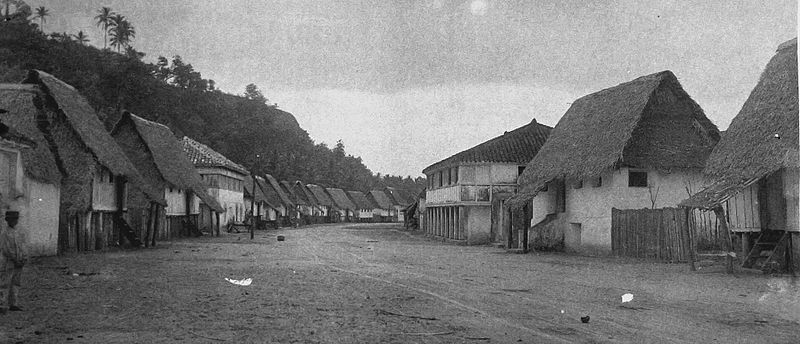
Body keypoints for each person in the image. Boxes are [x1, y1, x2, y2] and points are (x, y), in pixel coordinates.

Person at [0, 210, 27, 313]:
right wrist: (15, 259)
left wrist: (23, 258)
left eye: (16, 219)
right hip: (7, 262)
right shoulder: (4, 233)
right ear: (8, 220)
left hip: (18, 261)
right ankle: (2, 304)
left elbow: (22, 246)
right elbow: (6, 249)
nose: (14, 221)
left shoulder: (18, 232)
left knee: (16, 283)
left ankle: (13, 304)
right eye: (12, 219)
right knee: (4, 283)